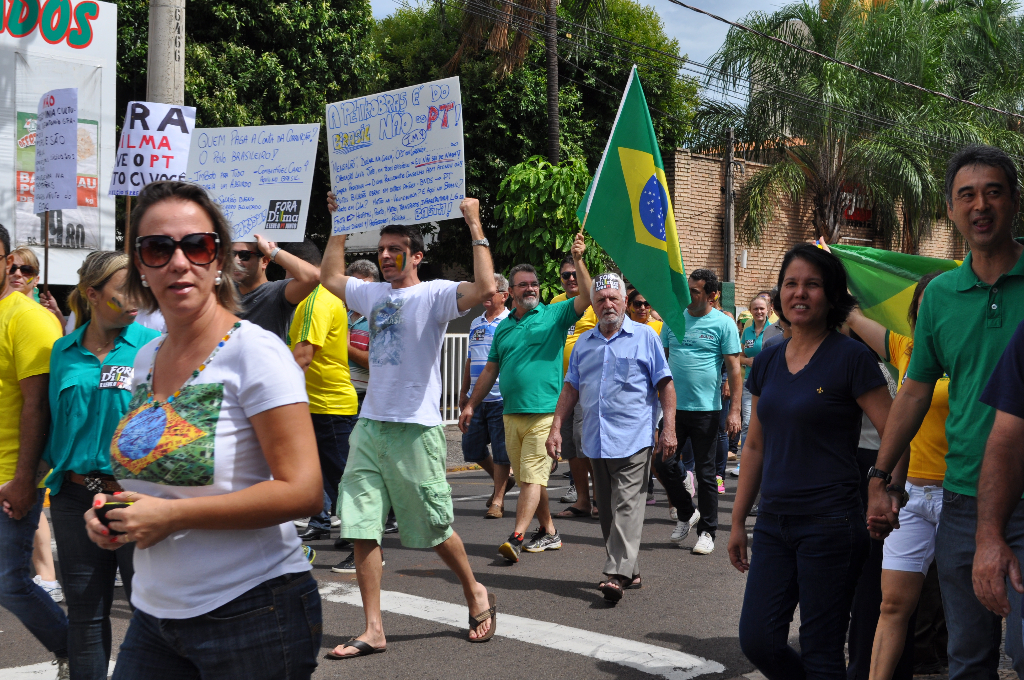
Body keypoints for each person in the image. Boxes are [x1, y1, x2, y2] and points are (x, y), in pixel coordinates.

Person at [83, 181, 323, 679]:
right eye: (157, 248)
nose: (179, 261)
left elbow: (304, 492)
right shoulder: (146, 357)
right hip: (155, 613)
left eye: (197, 245)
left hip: (253, 612)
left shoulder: (255, 352)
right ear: (141, 267)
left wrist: (171, 517)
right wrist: (113, 511)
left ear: (218, 261)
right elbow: (145, 472)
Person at [868, 145, 1024, 679]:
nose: (980, 205)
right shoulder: (939, 298)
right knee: (968, 656)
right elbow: (912, 392)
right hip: (961, 496)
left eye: (993, 192)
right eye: (967, 195)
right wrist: (880, 473)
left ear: (1014, 202)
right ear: (953, 210)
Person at [319, 192, 499, 655]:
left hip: (416, 429)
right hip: (370, 426)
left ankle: (474, 590)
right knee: (359, 526)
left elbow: (482, 290)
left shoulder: (434, 293)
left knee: (432, 526)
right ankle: (373, 629)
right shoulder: (372, 292)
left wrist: (474, 224)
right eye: (380, 249)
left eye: (394, 249)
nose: (383, 255)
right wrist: (339, 222)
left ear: (416, 256)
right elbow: (328, 277)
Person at [728, 244, 892, 678]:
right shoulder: (767, 361)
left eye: (812, 285)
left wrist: (882, 486)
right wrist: (737, 520)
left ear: (832, 294)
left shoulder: (852, 358)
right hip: (774, 523)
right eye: (791, 284)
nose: (799, 293)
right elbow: (755, 447)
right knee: (759, 640)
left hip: (831, 524)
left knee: (821, 650)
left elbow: (896, 431)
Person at [43, 251, 160, 680]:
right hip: (74, 496)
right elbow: (50, 422)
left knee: (148, 612)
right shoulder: (62, 351)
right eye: (123, 289)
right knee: (85, 616)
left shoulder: (151, 346)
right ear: (92, 294)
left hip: (133, 495)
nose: (135, 298)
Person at [838, 273, 948, 680]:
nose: (932, 312)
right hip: (911, 497)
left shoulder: (979, 351)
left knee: (972, 612)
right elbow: (849, 313)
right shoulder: (905, 349)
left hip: (965, 497)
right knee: (891, 607)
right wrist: (833, 264)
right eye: (923, 306)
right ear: (915, 312)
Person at [459, 243, 593, 564]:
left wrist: (579, 260)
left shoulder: (554, 314)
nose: (531, 288)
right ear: (513, 292)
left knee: (532, 476)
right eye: (524, 284)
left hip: (546, 413)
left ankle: (516, 535)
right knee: (531, 478)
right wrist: (470, 404)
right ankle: (549, 531)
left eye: (534, 284)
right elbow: (490, 369)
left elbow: (587, 297)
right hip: (511, 414)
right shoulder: (503, 327)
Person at [546, 273, 675, 602]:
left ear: (624, 303)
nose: (607, 305)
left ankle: (615, 573)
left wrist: (669, 427)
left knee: (628, 506)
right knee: (606, 511)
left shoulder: (645, 337)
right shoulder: (584, 344)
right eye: (601, 299)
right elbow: (571, 388)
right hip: (595, 440)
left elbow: (665, 384)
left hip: (634, 438)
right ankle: (629, 570)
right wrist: (556, 426)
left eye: (613, 299)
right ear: (593, 304)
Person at [0, 224, 69, 676]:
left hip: (9, 476)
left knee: (9, 582)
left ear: (7, 262)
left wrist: (27, 480)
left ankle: (75, 651)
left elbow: (40, 405)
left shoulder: (27, 318)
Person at [657, 268, 742, 555]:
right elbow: (663, 363)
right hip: (673, 410)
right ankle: (686, 512)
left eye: (695, 290)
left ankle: (707, 531)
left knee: (706, 474)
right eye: (688, 289)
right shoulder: (672, 319)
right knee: (662, 463)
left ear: (712, 294)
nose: (689, 295)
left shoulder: (723, 324)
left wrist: (735, 413)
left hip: (707, 411)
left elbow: (733, 369)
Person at [285, 241, 359, 546]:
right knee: (324, 473)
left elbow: (302, 356)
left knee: (345, 477)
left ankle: (364, 538)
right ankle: (325, 521)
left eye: (286, 271)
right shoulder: (321, 298)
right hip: (320, 402)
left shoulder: (315, 301)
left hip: (329, 403)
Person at [458, 273, 514, 519]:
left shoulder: (511, 322)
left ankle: (498, 500)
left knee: (502, 453)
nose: (486, 296)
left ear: (505, 295)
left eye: (491, 292)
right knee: (471, 449)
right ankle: (503, 482)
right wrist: (464, 391)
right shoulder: (476, 322)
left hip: (501, 397)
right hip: (476, 398)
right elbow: (471, 358)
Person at [549, 253, 598, 517]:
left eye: (574, 274)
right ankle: (582, 500)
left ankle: (601, 496)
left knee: (584, 440)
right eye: (565, 275)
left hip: (588, 384)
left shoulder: (593, 303)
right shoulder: (556, 303)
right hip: (562, 386)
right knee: (570, 446)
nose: (570, 279)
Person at [232, 233, 320, 342]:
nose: (236, 261)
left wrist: (272, 251)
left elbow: (313, 277)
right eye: (232, 254)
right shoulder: (224, 292)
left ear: (264, 261)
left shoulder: (276, 292)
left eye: (244, 255)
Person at [344, 259, 378, 404]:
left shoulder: (380, 320)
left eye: (367, 287)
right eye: (356, 286)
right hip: (337, 398)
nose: (362, 292)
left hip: (365, 399)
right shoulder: (338, 313)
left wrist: (346, 348)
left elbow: (376, 363)